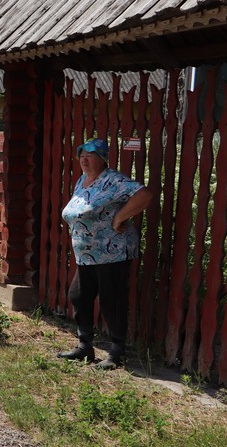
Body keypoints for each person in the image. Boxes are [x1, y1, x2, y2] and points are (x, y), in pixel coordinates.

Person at [56, 138, 154, 370]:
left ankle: (117, 353)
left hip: (112, 252)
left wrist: (120, 217)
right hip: (87, 254)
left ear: (102, 158)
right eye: (82, 154)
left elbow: (145, 195)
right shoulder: (83, 180)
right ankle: (85, 347)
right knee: (78, 296)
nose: (84, 159)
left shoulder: (114, 180)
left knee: (111, 301)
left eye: (90, 155)